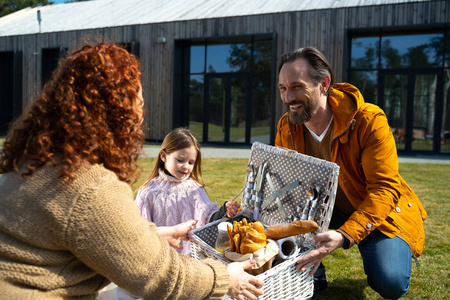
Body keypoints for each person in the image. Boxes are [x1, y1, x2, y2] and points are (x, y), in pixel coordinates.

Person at [0, 42, 263, 300]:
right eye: (137, 101)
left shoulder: (29, 164)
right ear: (117, 112)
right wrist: (225, 278)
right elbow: (158, 276)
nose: (141, 114)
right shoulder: (87, 186)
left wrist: (163, 233)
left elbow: (107, 235)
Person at [275, 47, 427, 299]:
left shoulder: (369, 120)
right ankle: (315, 276)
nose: (288, 97)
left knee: (391, 282)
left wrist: (345, 235)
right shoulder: (287, 127)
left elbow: (384, 189)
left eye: (296, 86)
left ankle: (397, 249)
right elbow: (287, 186)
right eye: (282, 88)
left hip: (375, 209)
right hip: (322, 207)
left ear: (324, 84)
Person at [136, 127, 240, 257]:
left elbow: (207, 219)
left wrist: (224, 210)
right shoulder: (148, 191)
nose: (186, 166)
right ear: (164, 156)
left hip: (190, 261)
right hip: (158, 260)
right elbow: (139, 231)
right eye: (180, 160)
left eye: (191, 162)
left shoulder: (195, 190)